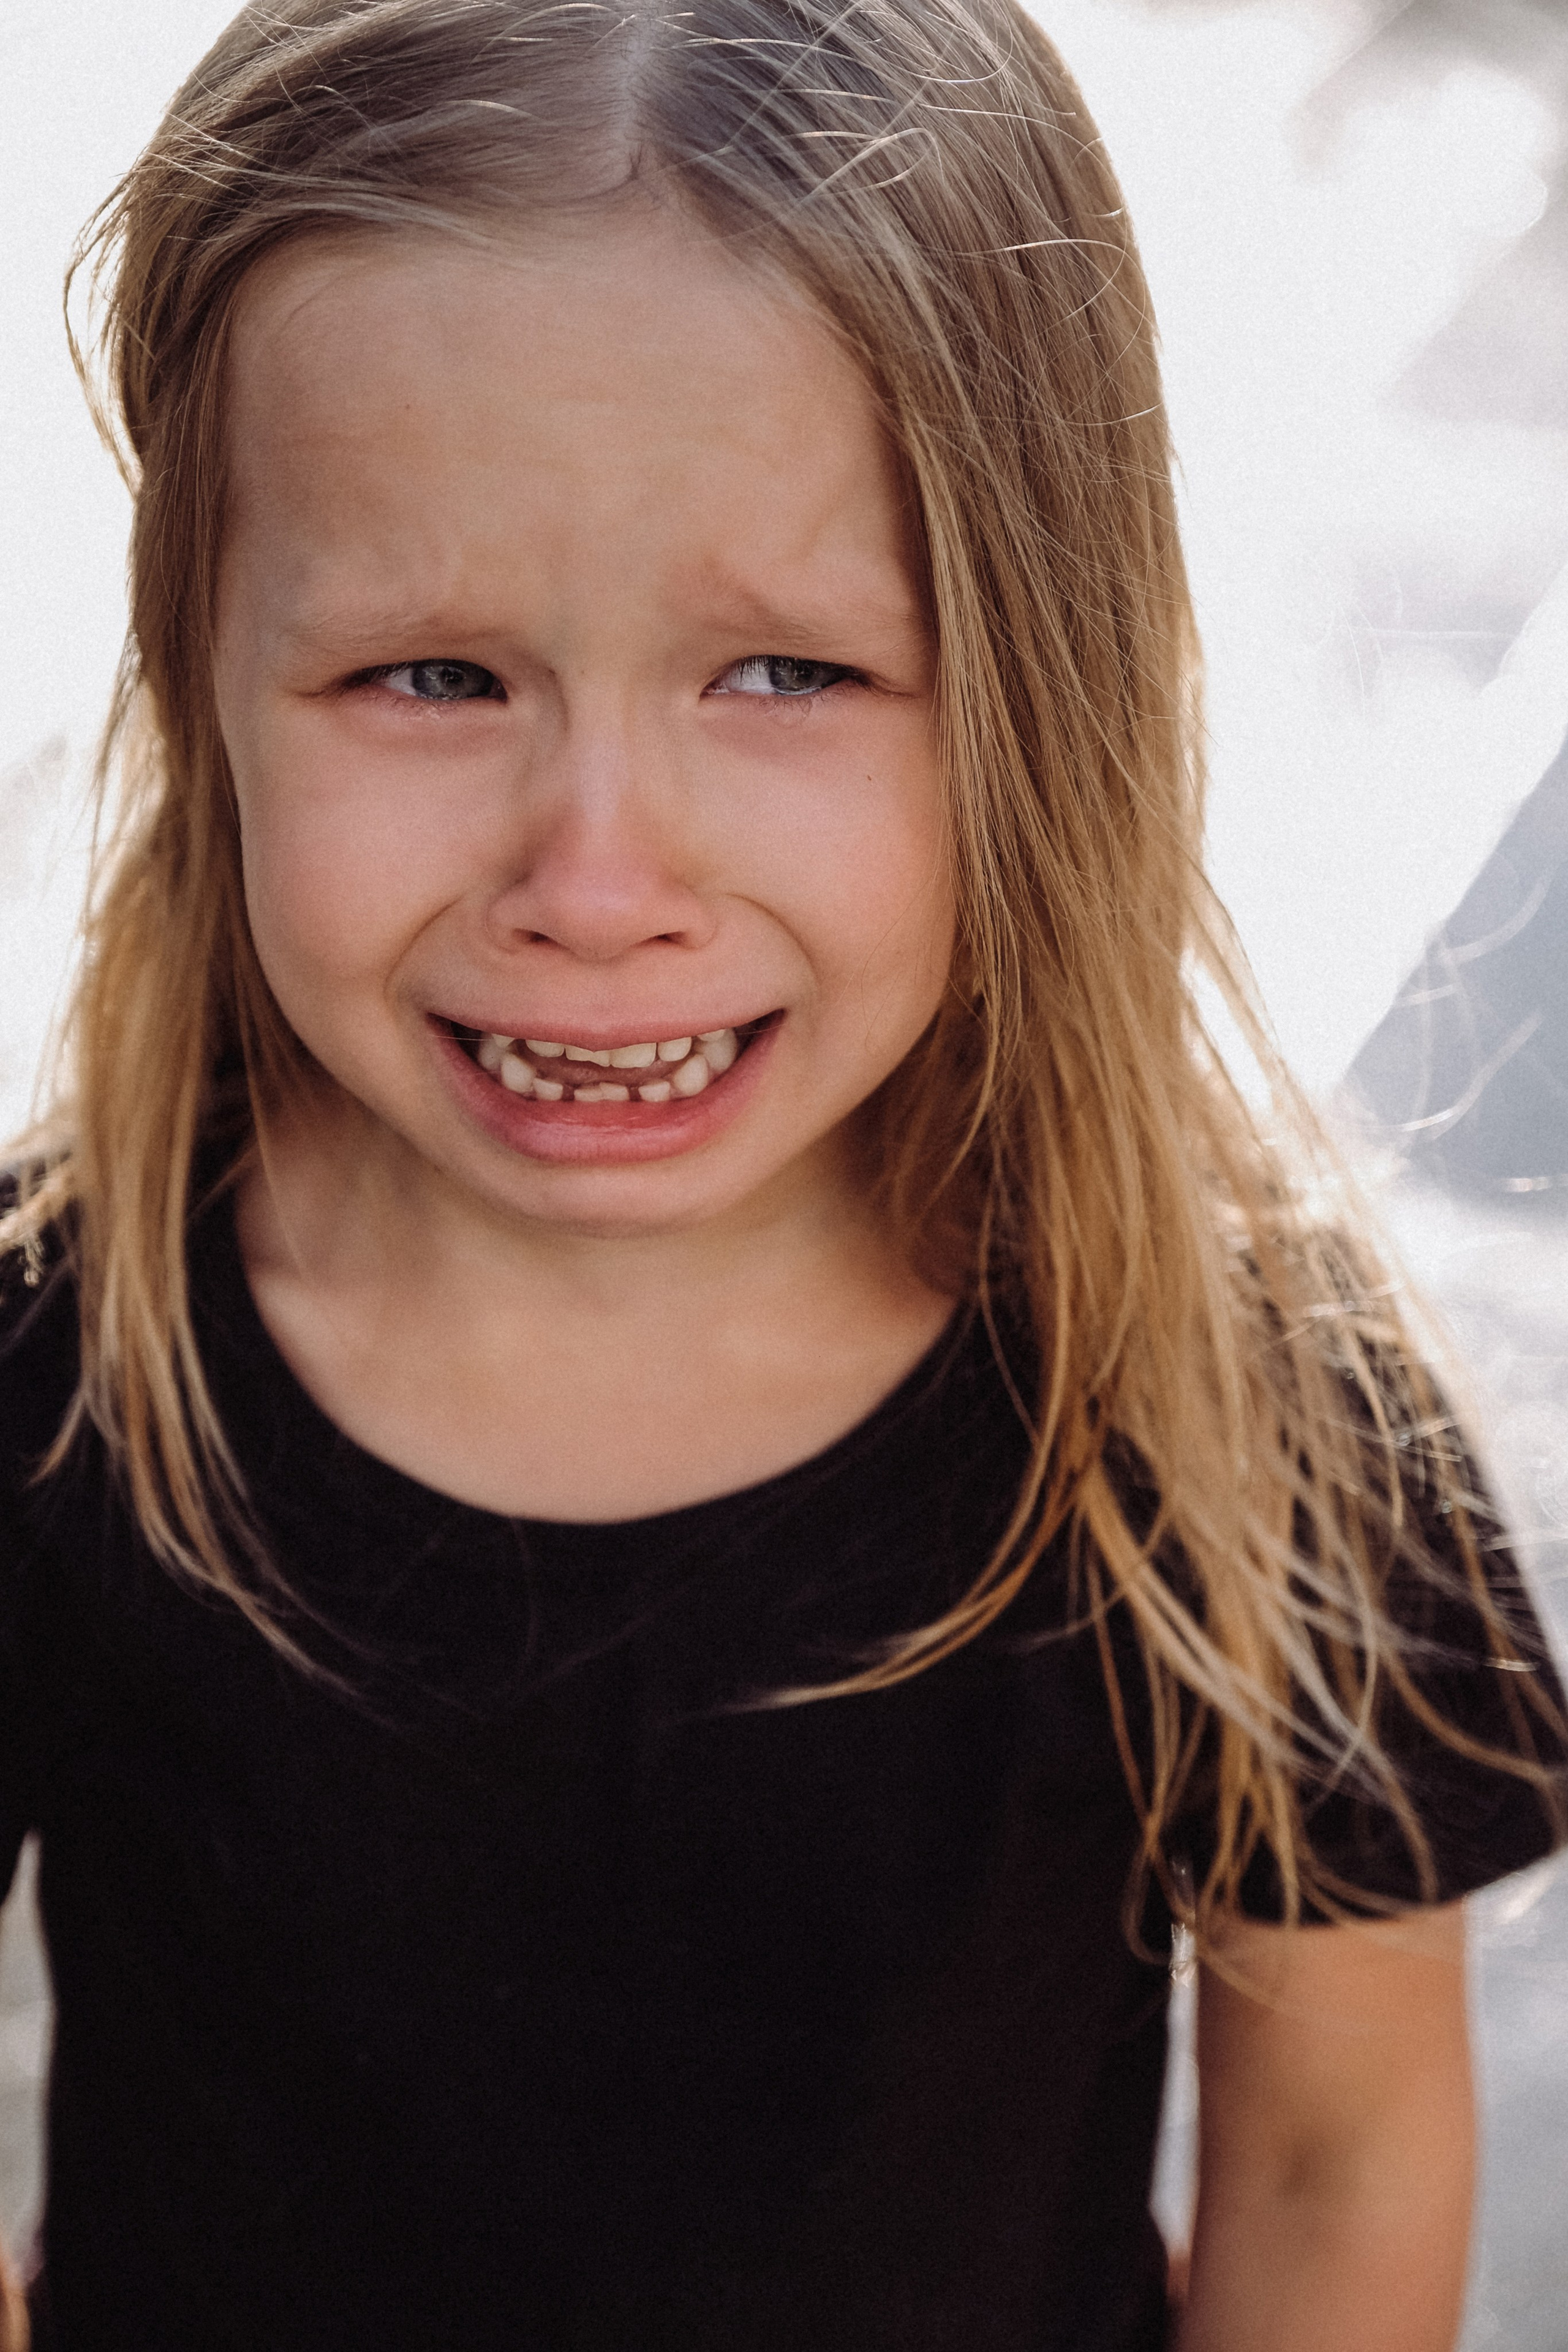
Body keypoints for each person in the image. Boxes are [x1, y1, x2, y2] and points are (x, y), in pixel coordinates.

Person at [1, 1, 1563, 2345]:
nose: (595, 881)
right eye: (432, 676)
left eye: (786, 677)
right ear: (197, 676)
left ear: (1045, 689)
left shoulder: (1237, 1410)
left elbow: (1334, 2161)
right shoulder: (55, 1374)